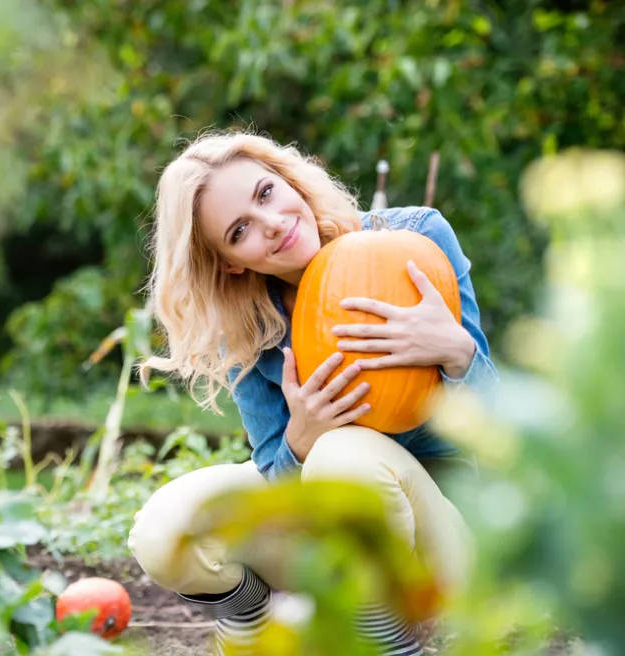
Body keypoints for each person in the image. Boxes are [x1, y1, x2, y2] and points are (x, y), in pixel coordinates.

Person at [127, 131, 499, 655]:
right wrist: (299, 443)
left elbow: (501, 434)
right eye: (240, 231)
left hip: (445, 535)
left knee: (345, 453)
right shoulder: (250, 326)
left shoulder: (418, 238)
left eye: (265, 194)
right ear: (231, 262)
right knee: (166, 530)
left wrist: (456, 352)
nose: (273, 223)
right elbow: (277, 481)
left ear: (288, 180)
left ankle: (391, 644)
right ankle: (251, 616)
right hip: (329, 538)